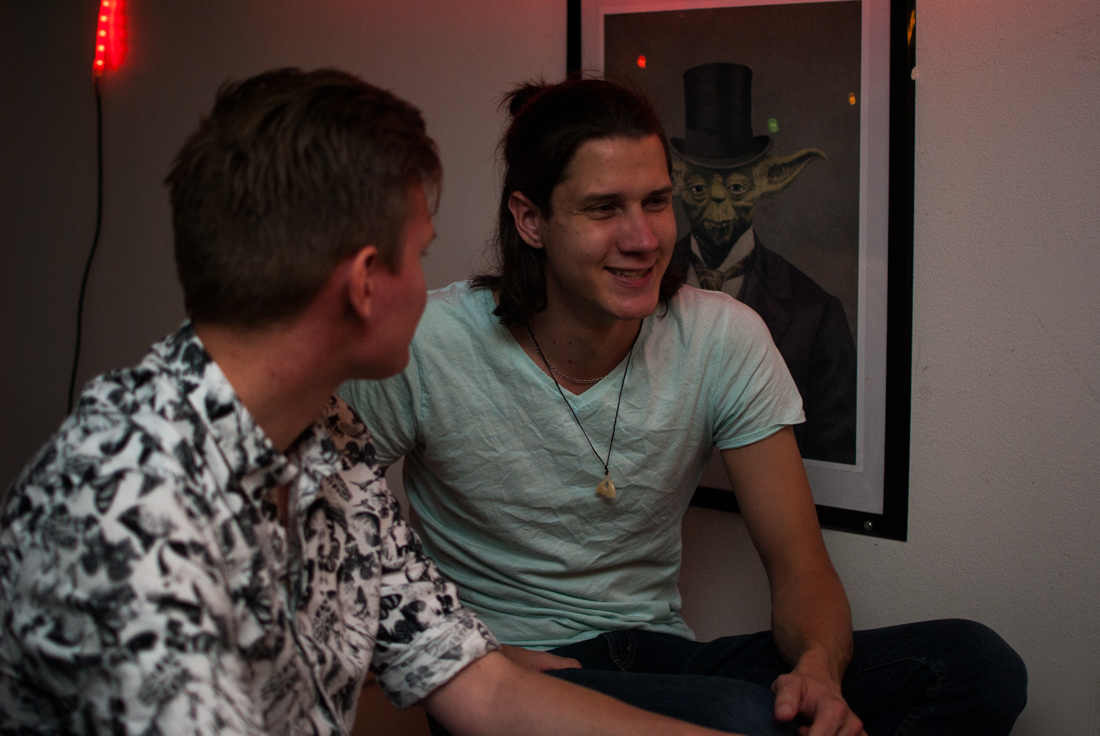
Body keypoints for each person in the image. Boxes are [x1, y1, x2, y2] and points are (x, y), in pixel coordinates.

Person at [0, 68, 743, 736]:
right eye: (418, 256)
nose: (430, 287)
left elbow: (474, 685)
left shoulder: (328, 437)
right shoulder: (133, 510)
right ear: (363, 284)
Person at [339, 76, 1028, 735]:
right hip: (512, 676)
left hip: (660, 654)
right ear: (531, 220)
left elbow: (801, 568)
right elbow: (314, 556)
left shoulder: (722, 336)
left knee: (973, 666)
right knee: (743, 719)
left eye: (657, 201)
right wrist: (464, 656)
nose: (643, 239)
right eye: (604, 209)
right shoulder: (430, 344)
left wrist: (819, 670)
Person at [670, 62, 856, 464]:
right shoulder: (640, 290)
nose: (718, 201)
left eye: (736, 187)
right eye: (700, 188)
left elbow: (833, 455)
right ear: (676, 184)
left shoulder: (816, 314)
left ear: (768, 181)